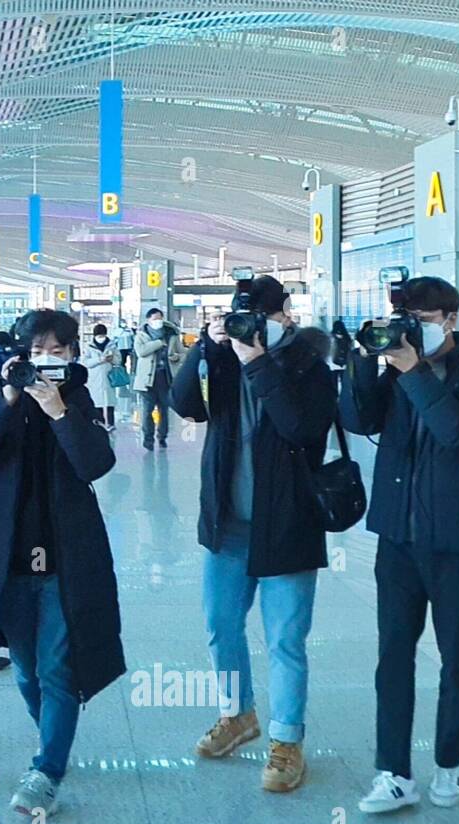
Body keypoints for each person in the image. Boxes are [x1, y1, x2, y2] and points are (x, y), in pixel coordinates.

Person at [339, 277, 459, 814]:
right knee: (393, 656)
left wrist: (413, 371)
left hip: (458, 538)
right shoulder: (394, 366)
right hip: (397, 536)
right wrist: (363, 366)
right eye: (404, 319)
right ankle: (392, 773)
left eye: (423, 319)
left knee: (455, 656)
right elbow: (356, 420)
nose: (412, 330)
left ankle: (449, 767)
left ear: (450, 319)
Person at [170, 275, 334, 793]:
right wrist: (205, 349)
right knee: (221, 627)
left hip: (287, 525)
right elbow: (185, 406)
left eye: (258, 318)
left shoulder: (310, 365)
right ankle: (237, 714)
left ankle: (287, 743)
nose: (248, 328)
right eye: (240, 318)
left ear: (283, 316)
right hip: (227, 524)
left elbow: (301, 429)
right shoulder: (221, 359)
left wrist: (257, 362)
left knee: (285, 640)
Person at [0, 309, 124, 816]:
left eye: (57, 353)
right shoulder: (3, 392)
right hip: (10, 555)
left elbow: (96, 464)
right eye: (37, 352)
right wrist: (8, 400)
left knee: (58, 669)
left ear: (73, 355)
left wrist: (59, 411)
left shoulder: (78, 395)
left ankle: (47, 769)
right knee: (24, 669)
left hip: (66, 555)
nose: (47, 362)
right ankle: (52, 740)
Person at [132, 308, 183, 450]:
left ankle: (162, 437)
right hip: (147, 380)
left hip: (165, 378)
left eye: (160, 318)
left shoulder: (171, 334)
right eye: (155, 319)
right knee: (147, 411)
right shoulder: (141, 335)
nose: (158, 322)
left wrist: (177, 357)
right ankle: (148, 439)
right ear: (148, 320)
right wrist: (159, 343)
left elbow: (182, 351)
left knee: (164, 411)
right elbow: (141, 352)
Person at [82, 322, 121, 431]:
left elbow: (119, 360)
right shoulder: (89, 346)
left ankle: (111, 424)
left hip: (109, 377)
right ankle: (99, 423)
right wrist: (100, 360)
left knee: (109, 401)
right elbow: (85, 362)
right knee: (97, 402)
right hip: (95, 378)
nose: (101, 338)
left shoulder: (112, 345)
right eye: (99, 336)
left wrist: (111, 358)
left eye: (103, 336)